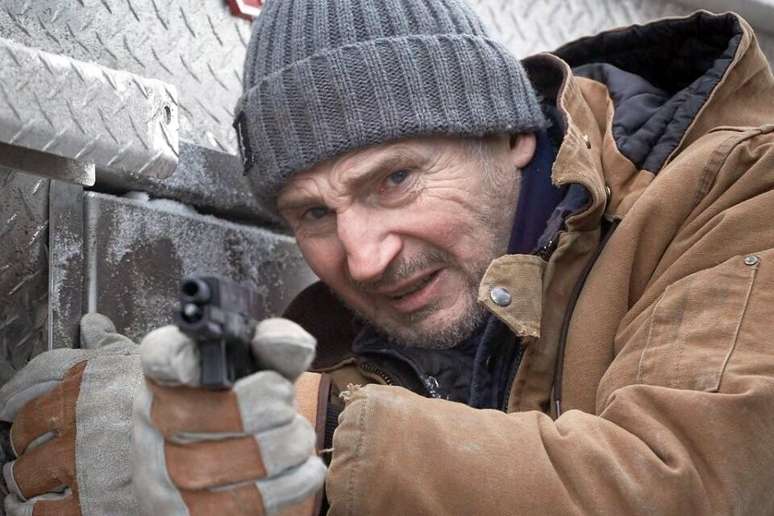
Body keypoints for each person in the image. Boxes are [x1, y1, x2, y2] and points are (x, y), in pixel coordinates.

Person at [3, 0, 774, 514]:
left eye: (395, 180)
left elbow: (692, 487)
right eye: (314, 213)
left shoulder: (738, 190)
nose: (365, 259)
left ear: (511, 132)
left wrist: (308, 436)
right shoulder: (345, 340)